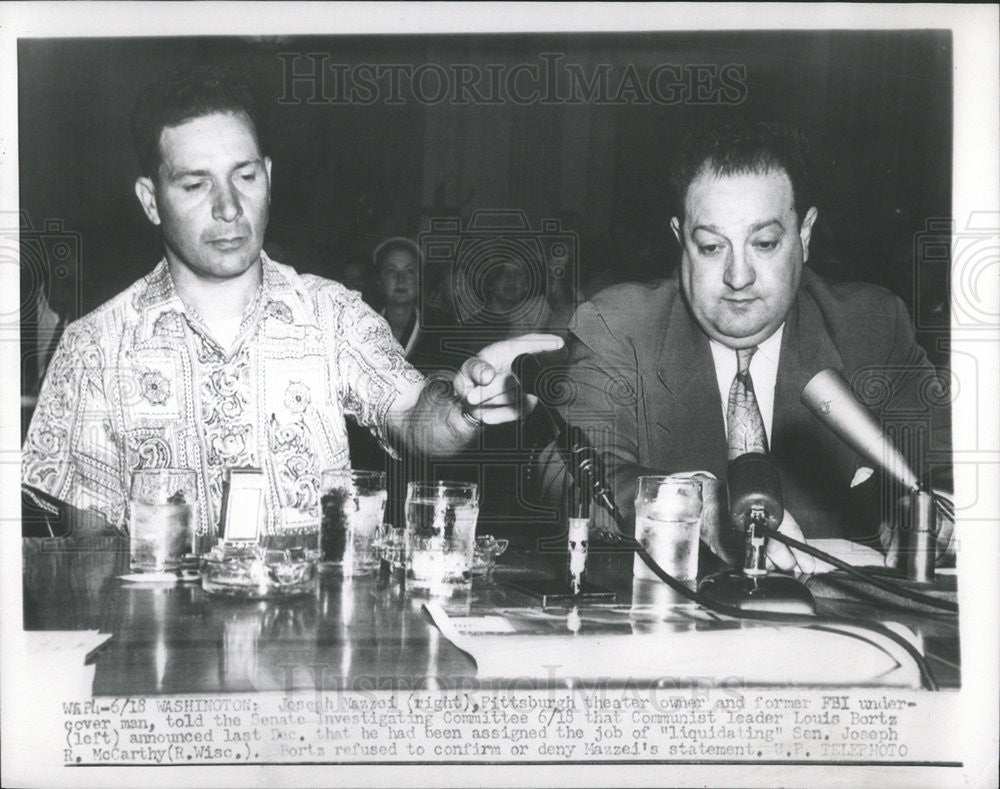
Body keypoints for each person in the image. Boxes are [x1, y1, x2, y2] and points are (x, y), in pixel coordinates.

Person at [21, 65, 561, 537]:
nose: (229, 207)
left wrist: (465, 405)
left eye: (245, 176)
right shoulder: (93, 348)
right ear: (150, 201)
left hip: (315, 644)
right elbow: (87, 557)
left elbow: (416, 418)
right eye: (194, 185)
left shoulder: (332, 315)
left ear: (269, 179)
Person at [538, 121, 951, 572]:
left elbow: (947, 464)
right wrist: (700, 506)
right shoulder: (619, 325)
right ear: (681, 240)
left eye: (765, 243)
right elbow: (567, 475)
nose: (738, 277)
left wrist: (938, 512)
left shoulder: (872, 326)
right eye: (712, 247)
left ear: (805, 235)